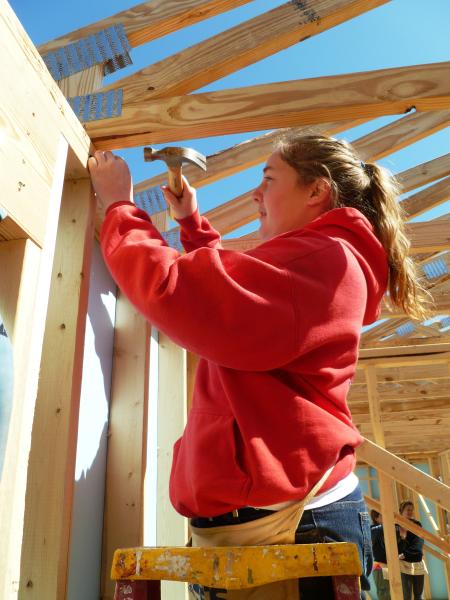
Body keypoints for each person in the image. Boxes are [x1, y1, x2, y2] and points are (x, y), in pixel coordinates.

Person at [89, 133, 429, 599]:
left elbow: (185, 294)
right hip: (271, 527)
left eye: (268, 180)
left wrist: (119, 209)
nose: (255, 194)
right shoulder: (320, 262)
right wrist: (192, 226)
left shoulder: (325, 258)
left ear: (317, 191)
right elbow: (233, 295)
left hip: (293, 530)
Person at [397, 501, 426, 600]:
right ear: (401, 511)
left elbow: (418, 544)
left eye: (411, 510)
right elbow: (396, 546)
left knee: (419, 595)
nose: (410, 512)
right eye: (408, 510)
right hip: (403, 564)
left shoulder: (417, 524)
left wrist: (405, 554)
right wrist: (402, 537)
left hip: (416, 562)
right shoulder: (396, 526)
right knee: (407, 596)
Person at [370, 509, 390, 600]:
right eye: (383, 515)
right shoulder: (373, 529)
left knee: (390, 591)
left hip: (387, 564)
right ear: (376, 518)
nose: (386, 517)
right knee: (384, 591)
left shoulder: (383, 529)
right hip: (379, 565)